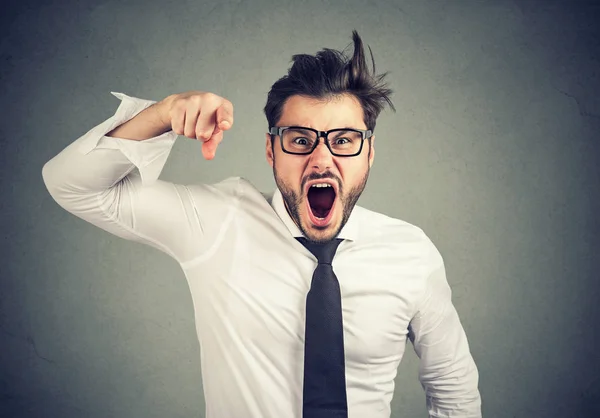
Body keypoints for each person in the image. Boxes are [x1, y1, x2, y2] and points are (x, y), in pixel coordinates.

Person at [42, 31, 481, 418]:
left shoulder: (411, 253)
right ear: (271, 152)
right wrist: (164, 113)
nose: (321, 159)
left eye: (344, 140)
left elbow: (452, 387)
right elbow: (73, 185)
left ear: (368, 153)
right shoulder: (216, 222)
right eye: (300, 140)